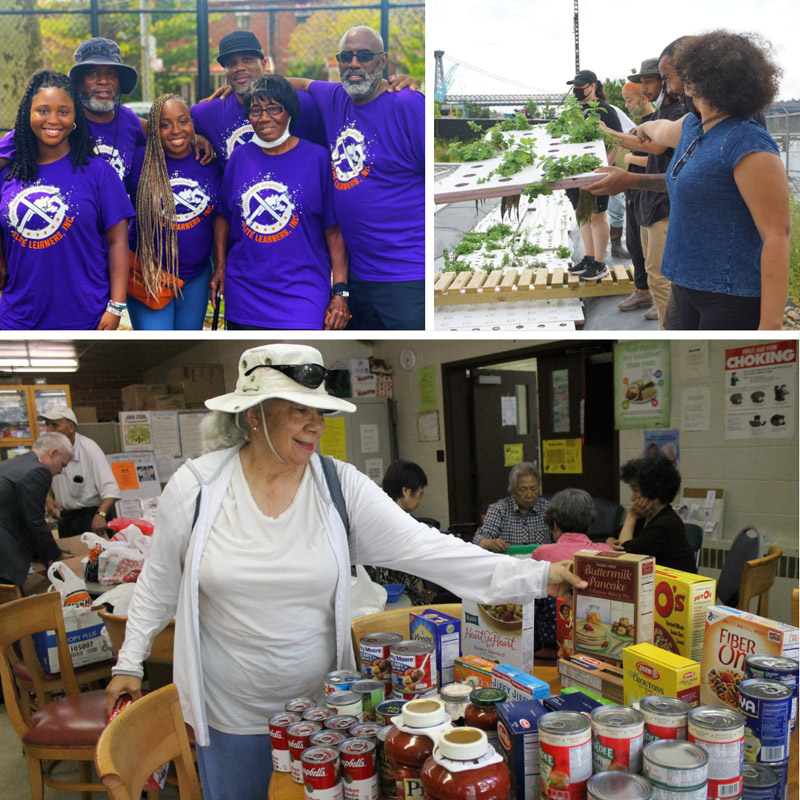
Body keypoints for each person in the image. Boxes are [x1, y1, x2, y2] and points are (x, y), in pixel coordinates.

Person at [104, 343, 587, 799]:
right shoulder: (197, 489)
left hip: (328, 717)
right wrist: (129, 663)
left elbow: (432, 550)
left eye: (320, 411)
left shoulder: (339, 488)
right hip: (229, 717)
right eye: (298, 410)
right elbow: (159, 582)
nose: (315, 424)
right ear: (253, 414)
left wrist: (540, 577)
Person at [634, 30, 790, 330]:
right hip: (684, 284)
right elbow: (664, 129)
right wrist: (643, 130)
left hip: (729, 296)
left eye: (682, 78)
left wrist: (769, 327)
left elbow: (777, 236)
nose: (678, 86)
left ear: (694, 83)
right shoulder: (696, 125)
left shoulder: (747, 142)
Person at [289, 26, 425, 330]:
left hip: (408, 275)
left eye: (363, 56)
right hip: (359, 275)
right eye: (345, 57)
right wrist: (240, 89)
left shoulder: (407, 104)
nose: (353, 64)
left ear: (382, 61)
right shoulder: (334, 97)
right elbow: (292, 84)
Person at [212, 75, 349, 330]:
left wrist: (340, 291)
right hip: (243, 295)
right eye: (255, 110)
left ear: (290, 111)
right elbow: (223, 217)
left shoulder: (317, 158)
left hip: (303, 295)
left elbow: (334, 231)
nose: (264, 118)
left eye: (273, 108)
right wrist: (220, 267)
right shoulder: (239, 158)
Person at [0, 70, 133, 330]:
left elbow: (118, 242)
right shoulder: (8, 175)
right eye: (42, 110)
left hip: (86, 316)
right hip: (17, 316)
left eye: (63, 111)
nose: (53, 120)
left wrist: (116, 306)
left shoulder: (99, 173)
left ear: (75, 118)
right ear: (28, 115)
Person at [127, 94, 222, 330]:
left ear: (192, 124)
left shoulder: (209, 161)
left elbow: (223, 217)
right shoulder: (139, 160)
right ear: (153, 130)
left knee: (188, 345)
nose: (176, 130)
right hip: (149, 273)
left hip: (196, 275)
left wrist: (220, 264)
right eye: (165, 125)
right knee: (156, 346)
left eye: (183, 121)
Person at [603, 58, 686, 328]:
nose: (645, 88)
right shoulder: (659, 113)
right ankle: (665, 324)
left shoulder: (677, 112)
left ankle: (670, 330)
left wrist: (610, 134)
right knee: (653, 275)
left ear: (667, 81)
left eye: (649, 81)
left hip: (665, 203)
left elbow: (656, 148)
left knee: (663, 280)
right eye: (643, 82)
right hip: (650, 203)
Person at [0, 38, 146, 187]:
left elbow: (162, 133)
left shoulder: (130, 121)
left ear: (119, 81)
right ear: (78, 82)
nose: (103, 81)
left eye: (111, 74)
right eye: (92, 73)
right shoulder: (61, 120)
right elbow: (10, 148)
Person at [191, 31, 326, 164]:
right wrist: (194, 137)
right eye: (231, 63)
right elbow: (175, 127)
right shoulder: (207, 113)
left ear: (263, 64)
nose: (239, 68)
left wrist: (276, 84)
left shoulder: (302, 103)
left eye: (247, 59)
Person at [531, 488, 615, 651]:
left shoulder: (541, 553)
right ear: (590, 524)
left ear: (554, 525)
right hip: (598, 643)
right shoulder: (607, 553)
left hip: (549, 644)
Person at [563, 70, 624, 281]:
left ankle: (600, 263)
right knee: (583, 215)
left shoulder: (605, 110)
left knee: (598, 215)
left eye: (581, 87)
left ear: (593, 86)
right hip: (575, 172)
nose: (577, 91)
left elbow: (617, 140)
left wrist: (605, 165)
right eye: (575, 87)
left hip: (597, 172)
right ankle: (589, 258)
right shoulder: (573, 112)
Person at [0, 432, 73, 588]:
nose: (61, 472)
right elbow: (34, 521)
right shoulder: (38, 470)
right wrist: (56, 555)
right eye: (63, 465)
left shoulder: (14, 463)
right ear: (53, 453)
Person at [38, 405, 121, 537]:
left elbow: (111, 490)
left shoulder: (89, 449)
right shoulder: (50, 451)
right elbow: (45, 478)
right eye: (47, 425)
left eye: (55, 425)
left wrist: (101, 515)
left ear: (71, 427)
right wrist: (48, 498)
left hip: (91, 519)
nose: (49, 430)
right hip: (66, 519)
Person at [606, 454, 696, 573]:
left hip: (673, 587)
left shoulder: (666, 524)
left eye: (635, 490)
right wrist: (610, 542)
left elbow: (626, 558)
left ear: (652, 489)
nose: (633, 498)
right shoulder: (645, 515)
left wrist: (631, 516)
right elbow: (615, 536)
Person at [617, 81, 656, 317]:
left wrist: (631, 160)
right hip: (633, 192)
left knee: (651, 251)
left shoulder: (655, 123)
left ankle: (662, 300)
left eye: (629, 100)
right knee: (634, 245)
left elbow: (658, 158)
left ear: (644, 97)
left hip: (649, 194)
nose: (626, 105)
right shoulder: (637, 127)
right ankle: (642, 291)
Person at [374, 459, 432, 605]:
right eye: (420, 491)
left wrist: (419, 585)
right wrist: (419, 588)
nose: (421, 497)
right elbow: (395, 570)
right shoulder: (395, 523)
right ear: (405, 491)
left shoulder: (382, 513)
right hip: (395, 598)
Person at [473, 462, 551, 551]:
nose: (529, 495)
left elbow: (563, 539)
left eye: (533, 489)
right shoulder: (499, 510)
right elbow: (477, 540)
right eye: (523, 489)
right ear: (513, 489)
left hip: (541, 563)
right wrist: (490, 543)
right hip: (509, 563)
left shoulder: (548, 509)